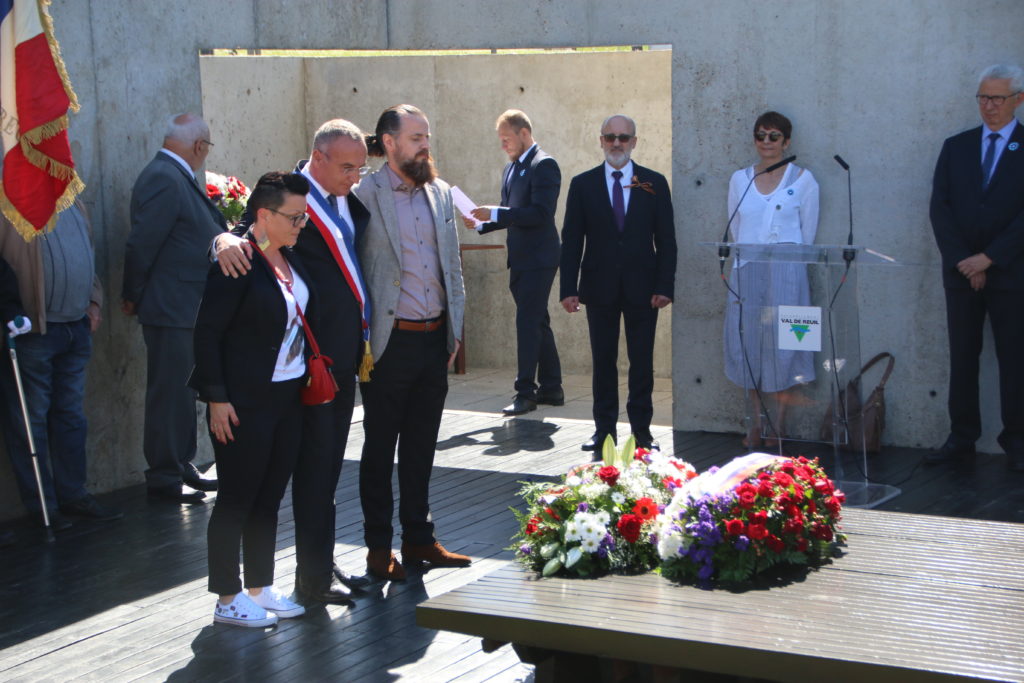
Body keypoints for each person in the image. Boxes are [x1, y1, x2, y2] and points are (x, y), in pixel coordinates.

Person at [214, 119, 372, 604]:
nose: (355, 177)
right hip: (301, 369)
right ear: (318, 157)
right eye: (347, 167)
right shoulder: (292, 198)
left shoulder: (354, 203)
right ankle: (309, 579)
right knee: (300, 474)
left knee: (323, 473)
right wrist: (221, 240)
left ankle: (318, 566)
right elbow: (249, 231)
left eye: (361, 168)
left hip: (341, 363)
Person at [190, 171, 313, 627]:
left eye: (304, 216)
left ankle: (259, 588)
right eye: (294, 217)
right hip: (242, 400)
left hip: (286, 396)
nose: (302, 224)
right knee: (236, 498)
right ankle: (227, 597)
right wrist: (216, 398)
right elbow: (207, 333)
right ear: (264, 215)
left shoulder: (288, 254)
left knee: (268, 496)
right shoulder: (238, 259)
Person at [355, 104, 469, 581]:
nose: (425, 144)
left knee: (422, 446)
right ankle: (379, 548)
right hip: (387, 344)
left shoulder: (441, 194)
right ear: (388, 142)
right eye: (416, 136)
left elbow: (452, 264)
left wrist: (455, 331)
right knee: (380, 447)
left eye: (427, 135)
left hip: (433, 340)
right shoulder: (363, 194)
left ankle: (419, 539)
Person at [0, 201, 121, 529]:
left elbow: (89, 254)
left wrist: (94, 301)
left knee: (71, 417)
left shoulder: (75, 202)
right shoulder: (10, 195)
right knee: (30, 420)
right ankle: (42, 506)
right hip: (33, 330)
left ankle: (73, 495)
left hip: (75, 326)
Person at [123, 113, 224, 504]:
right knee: (170, 393)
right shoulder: (164, 177)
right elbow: (142, 244)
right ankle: (165, 475)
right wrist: (133, 294)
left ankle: (180, 464)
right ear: (199, 146)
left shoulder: (172, 175)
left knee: (182, 392)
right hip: (170, 307)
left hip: (186, 306)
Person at [560, 114, 676, 454]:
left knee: (642, 362)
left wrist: (665, 285)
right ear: (600, 140)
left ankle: (642, 432)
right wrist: (569, 287)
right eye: (610, 137)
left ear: (634, 142)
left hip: (644, 289)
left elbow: (667, 240)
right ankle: (604, 432)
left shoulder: (653, 183)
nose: (616, 143)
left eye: (623, 138)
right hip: (599, 288)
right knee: (603, 361)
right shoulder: (583, 184)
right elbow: (571, 241)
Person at [929, 63, 1024, 472]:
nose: (989, 106)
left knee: (1015, 359)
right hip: (961, 272)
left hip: (1011, 272)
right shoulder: (957, 146)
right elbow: (940, 207)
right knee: (963, 356)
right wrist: (965, 262)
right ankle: (962, 436)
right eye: (983, 98)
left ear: (1018, 100)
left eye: (998, 98)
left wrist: (991, 257)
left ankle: (1017, 440)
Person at [722, 111, 819, 450]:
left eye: (774, 136)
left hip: (788, 272)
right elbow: (736, 228)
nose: (766, 142)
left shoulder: (804, 180)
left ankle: (778, 425)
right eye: (760, 135)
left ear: (787, 141)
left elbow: (808, 231)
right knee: (749, 343)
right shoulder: (740, 179)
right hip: (748, 269)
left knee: (787, 345)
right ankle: (756, 423)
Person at [463, 109, 563, 416]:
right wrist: (482, 222)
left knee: (527, 322)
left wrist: (495, 213)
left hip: (540, 258)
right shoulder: (511, 168)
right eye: (501, 140)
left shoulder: (543, 164)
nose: (504, 145)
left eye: (507, 139)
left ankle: (525, 392)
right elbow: (510, 212)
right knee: (537, 321)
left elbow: (540, 214)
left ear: (523, 133)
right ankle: (551, 388)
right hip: (519, 258)